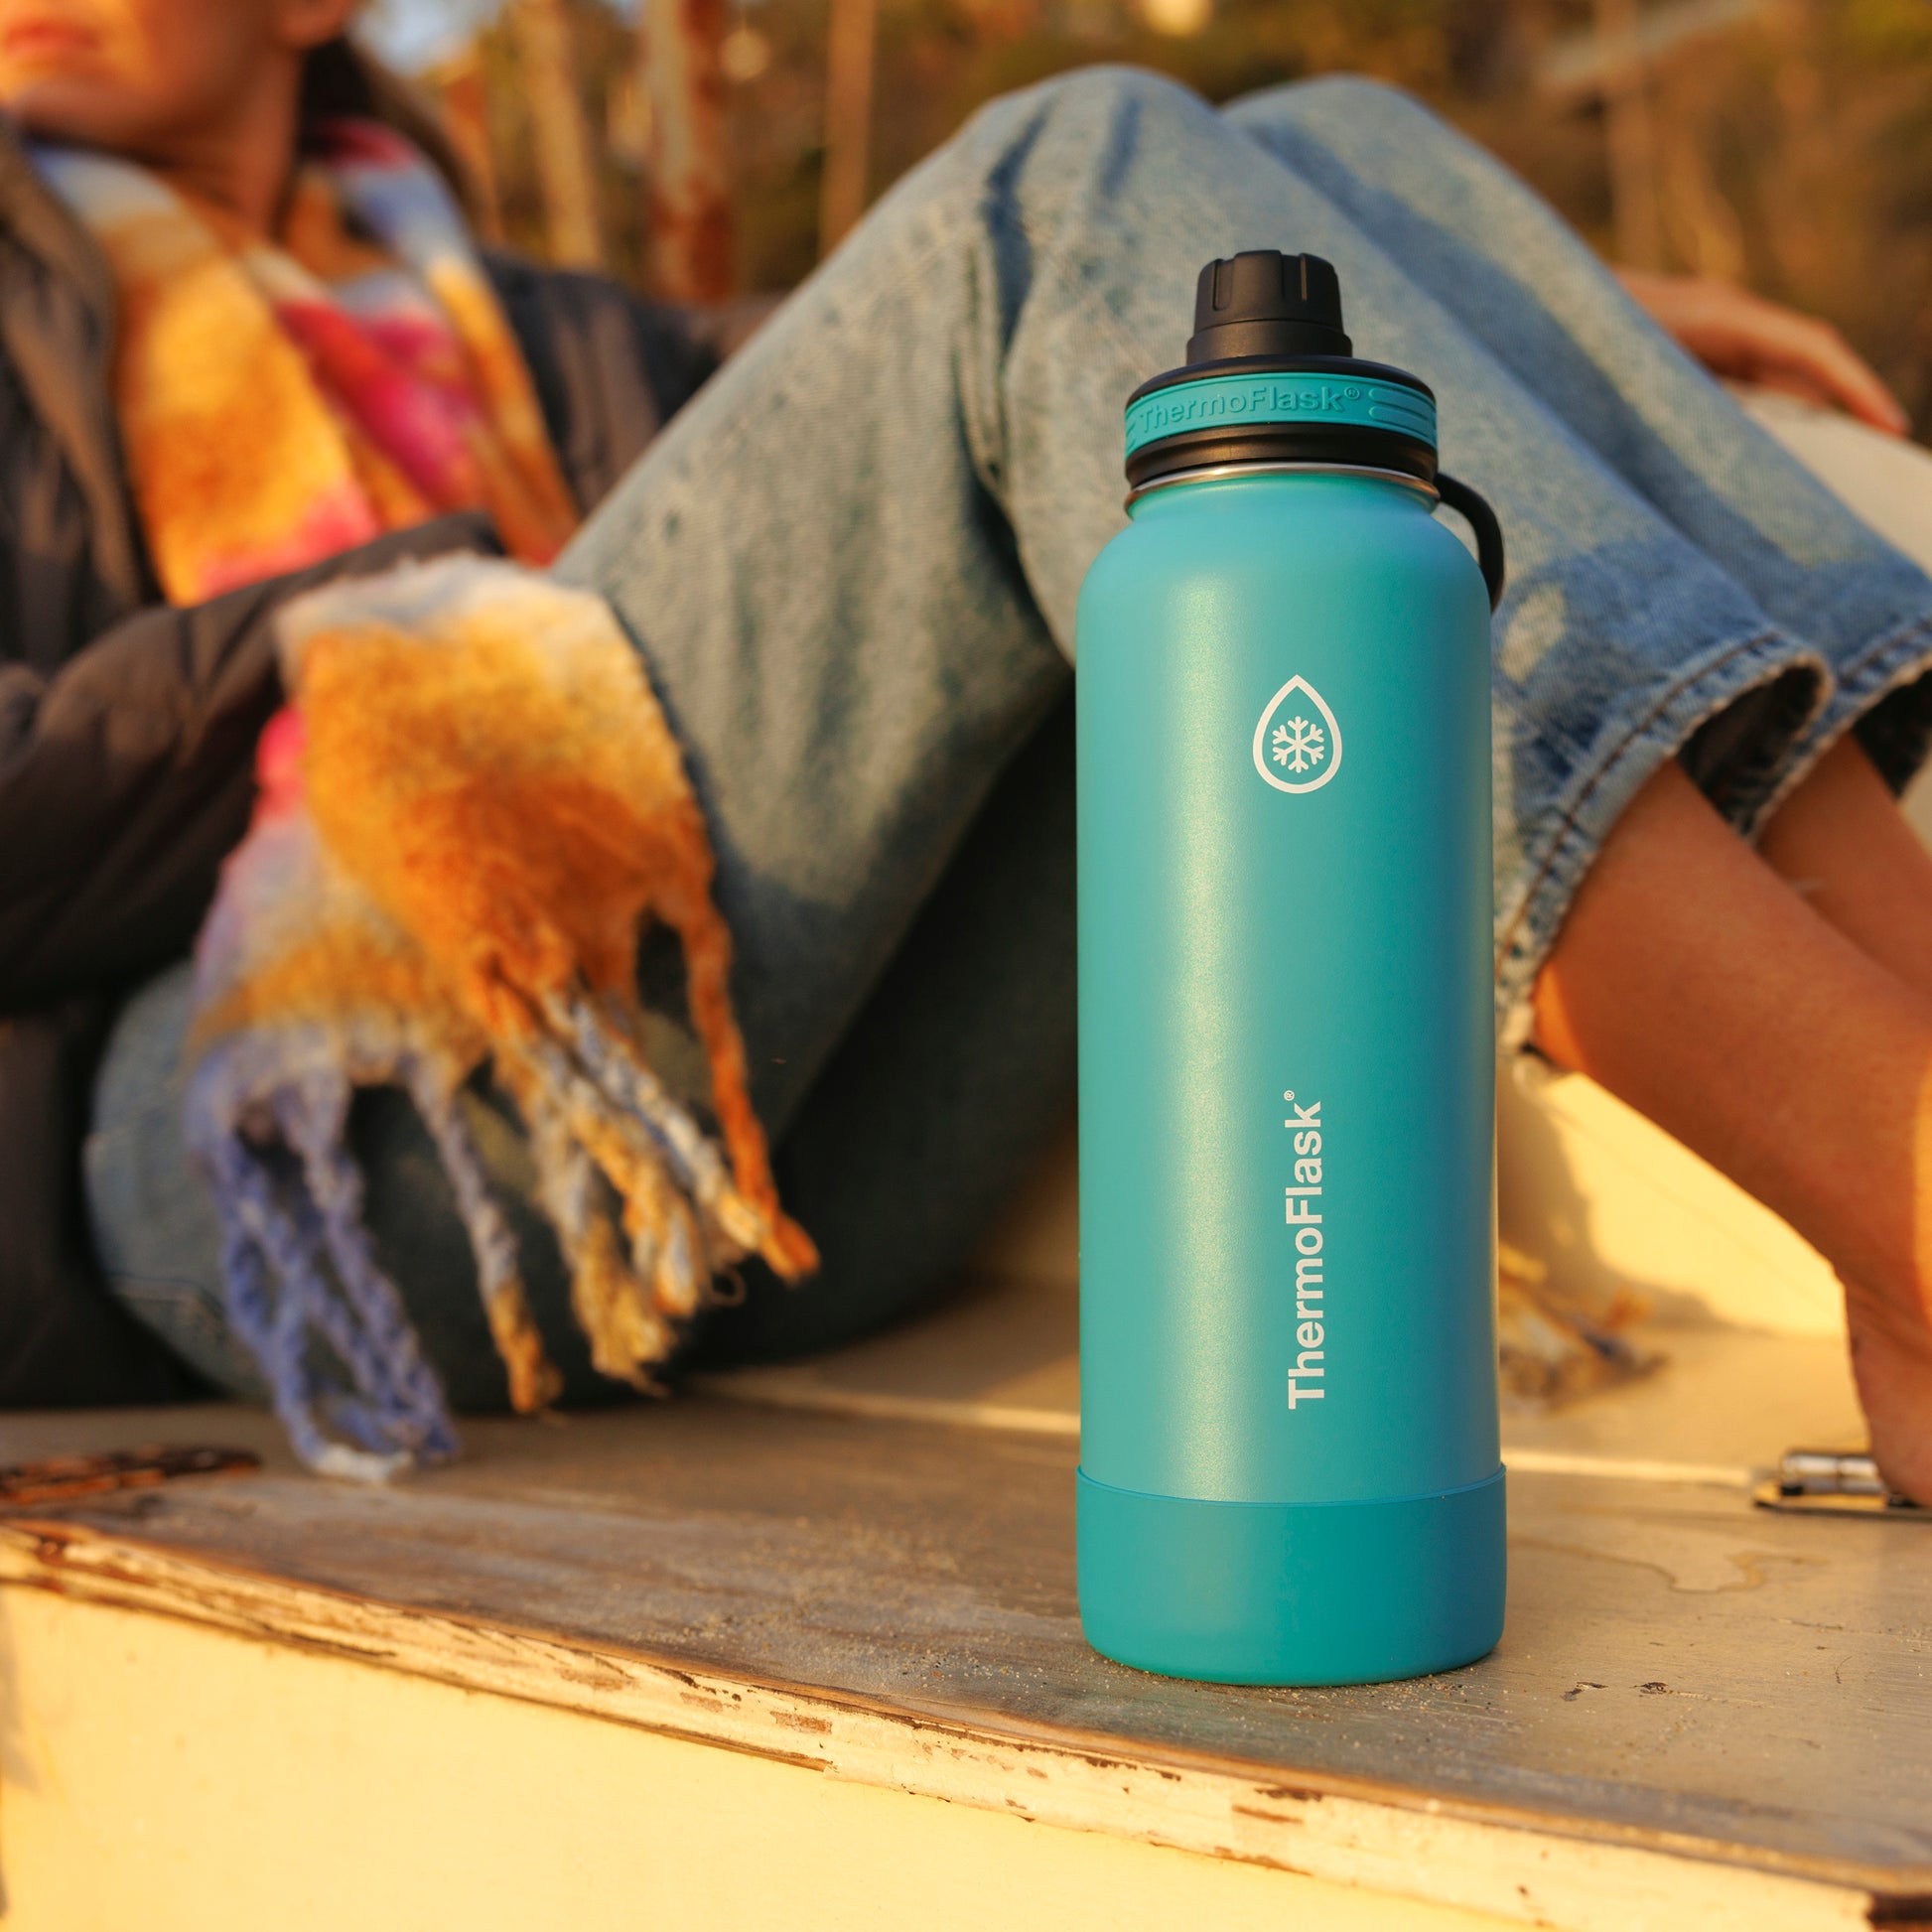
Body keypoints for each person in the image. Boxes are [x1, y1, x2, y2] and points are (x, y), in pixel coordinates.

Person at [5, 1, 1932, 1497]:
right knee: (1065, 175)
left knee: (1316, 160)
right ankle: (1897, 1176)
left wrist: (1475, 301)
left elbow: (859, 380)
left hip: (772, 1147)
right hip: (260, 1164)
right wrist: (394, 631)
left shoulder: (521, 324)